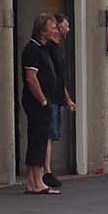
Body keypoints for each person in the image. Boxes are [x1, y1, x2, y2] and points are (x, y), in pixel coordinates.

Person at [20, 14, 60, 194]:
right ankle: (38, 182)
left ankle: (31, 182)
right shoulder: (32, 50)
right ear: (42, 31)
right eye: (53, 28)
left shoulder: (44, 49)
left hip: (43, 102)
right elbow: (31, 78)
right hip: (37, 103)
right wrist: (43, 100)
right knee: (38, 140)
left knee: (38, 139)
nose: (56, 31)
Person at [43, 13, 75, 188]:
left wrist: (67, 99)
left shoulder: (57, 49)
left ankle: (47, 170)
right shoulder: (49, 49)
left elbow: (60, 79)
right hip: (50, 98)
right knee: (49, 134)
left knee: (52, 135)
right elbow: (52, 76)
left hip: (57, 97)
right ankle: (46, 171)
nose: (67, 29)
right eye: (65, 26)